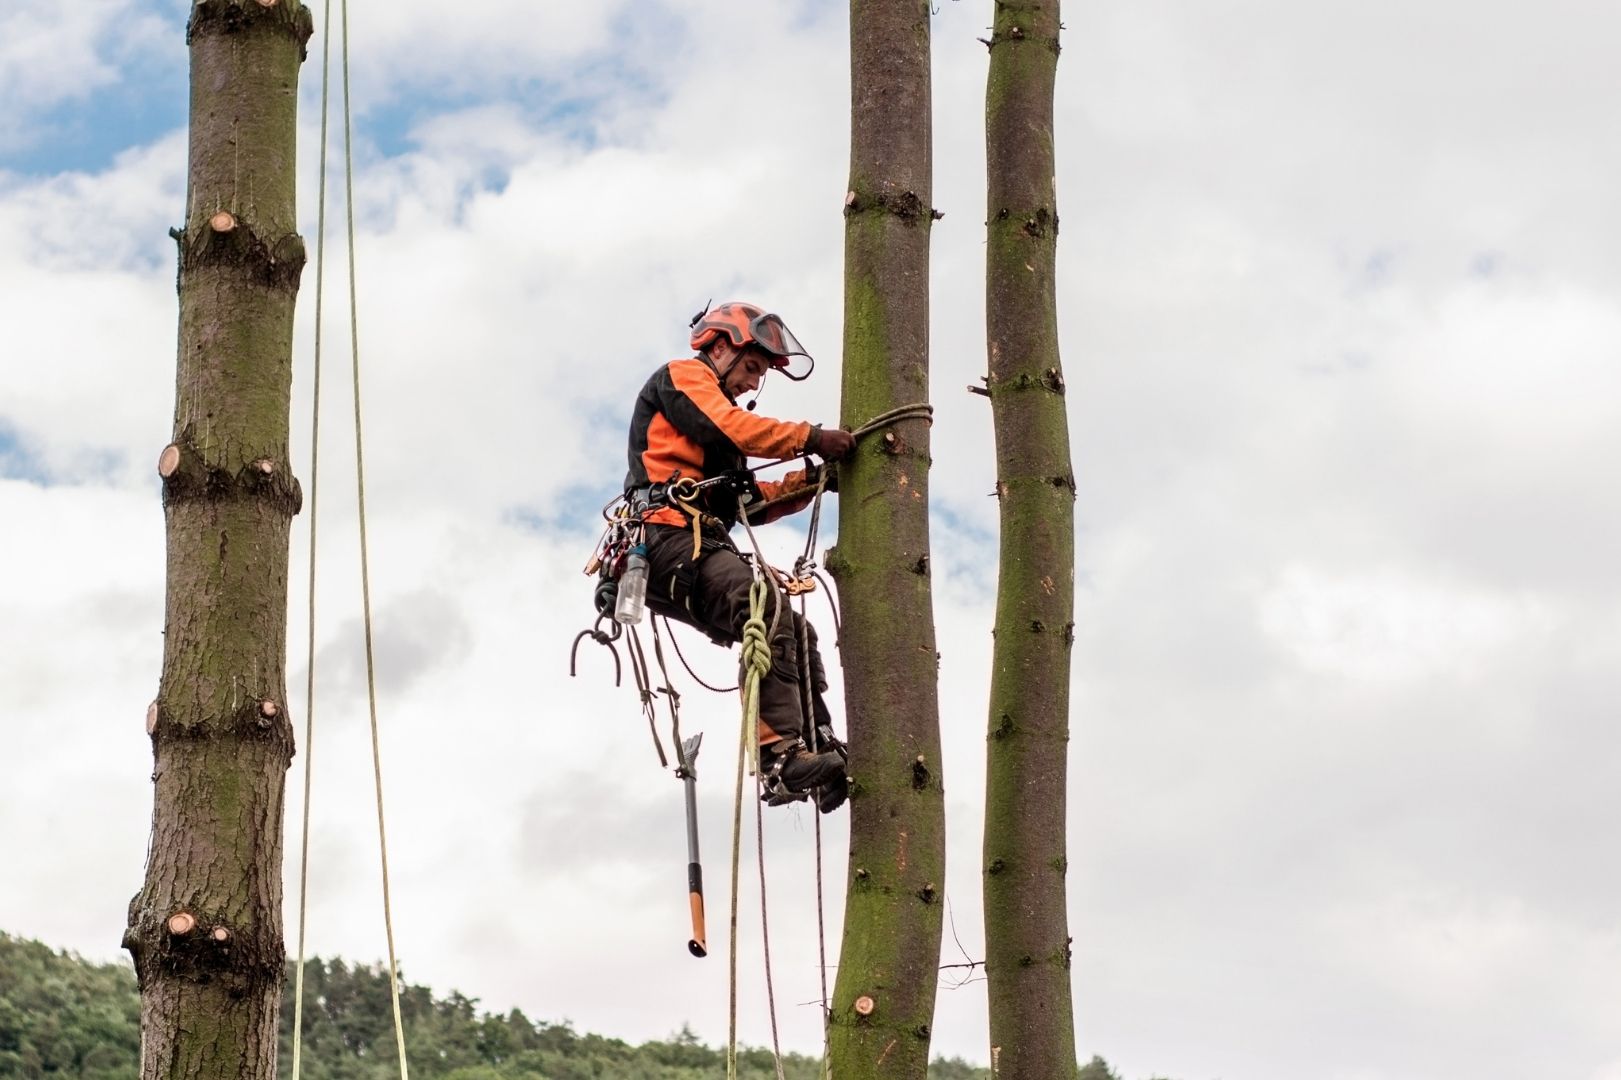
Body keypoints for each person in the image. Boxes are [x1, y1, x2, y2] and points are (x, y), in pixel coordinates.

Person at [623, 301, 856, 813]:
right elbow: (732, 427)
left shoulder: (721, 443)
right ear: (721, 345)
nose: (753, 384)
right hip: (664, 539)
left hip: (695, 544)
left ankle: (815, 752)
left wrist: (813, 481)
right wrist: (811, 438)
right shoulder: (682, 379)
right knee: (761, 604)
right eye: (752, 368)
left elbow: (748, 503)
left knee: (795, 630)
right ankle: (778, 759)